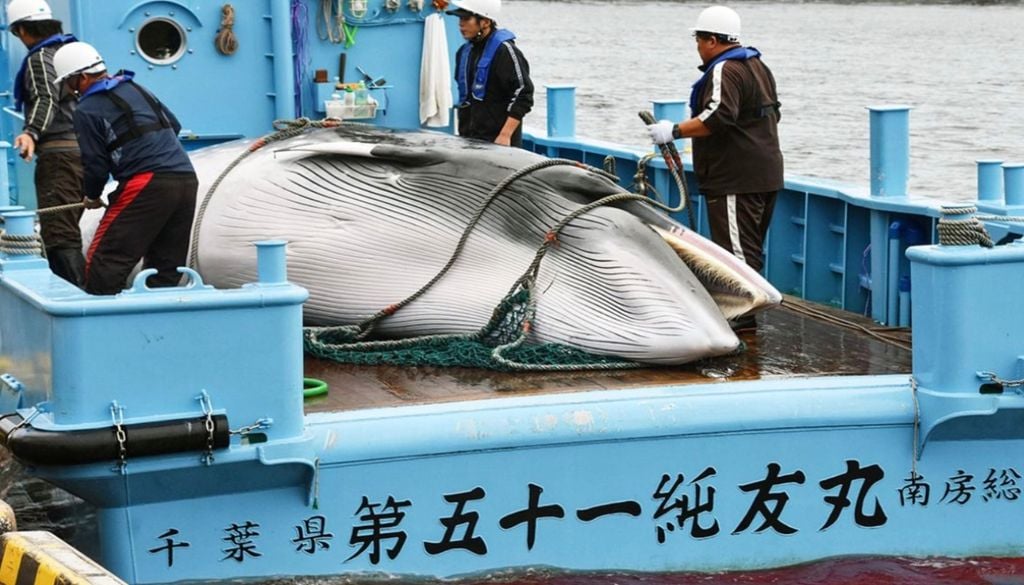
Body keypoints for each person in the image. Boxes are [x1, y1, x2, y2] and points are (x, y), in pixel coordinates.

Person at [646, 5, 783, 330]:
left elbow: (719, 116)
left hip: (736, 176)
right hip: (766, 172)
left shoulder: (726, 70)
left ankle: (743, 316)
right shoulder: (757, 66)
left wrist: (674, 130)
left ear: (710, 40)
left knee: (735, 250)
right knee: (749, 246)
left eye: (698, 40)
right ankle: (744, 313)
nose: (698, 47)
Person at [52, 41, 197, 296]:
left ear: (82, 78)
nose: (69, 89)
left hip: (146, 183)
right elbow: (173, 125)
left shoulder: (86, 109)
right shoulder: (137, 88)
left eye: (69, 82)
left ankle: (100, 327)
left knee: (105, 262)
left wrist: (92, 195)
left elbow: (95, 163)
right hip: (186, 178)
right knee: (166, 267)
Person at [6, 0, 86, 285]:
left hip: (59, 155)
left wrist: (31, 131)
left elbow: (45, 96)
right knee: (71, 228)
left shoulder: (41, 57)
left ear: (23, 30)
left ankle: (77, 298)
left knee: (59, 235)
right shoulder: (70, 52)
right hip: (83, 152)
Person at [447, 0, 533, 147]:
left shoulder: (505, 51)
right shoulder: (464, 52)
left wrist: (505, 135)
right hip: (469, 140)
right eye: (460, 18)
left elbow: (524, 93)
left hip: (499, 142)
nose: (461, 24)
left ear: (485, 22)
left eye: (466, 19)